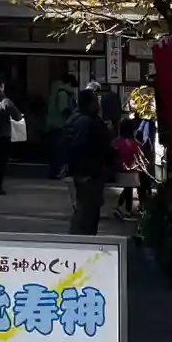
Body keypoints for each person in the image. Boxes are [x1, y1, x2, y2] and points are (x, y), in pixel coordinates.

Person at [62, 88, 115, 235]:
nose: (98, 105)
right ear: (90, 103)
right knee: (89, 211)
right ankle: (83, 240)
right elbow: (101, 146)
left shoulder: (73, 120)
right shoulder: (91, 122)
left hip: (78, 172)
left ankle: (78, 237)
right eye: (96, 101)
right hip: (91, 171)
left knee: (82, 207)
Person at [45, 74, 77, 178]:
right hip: (60, 125)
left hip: (53, 125)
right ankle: (57, 172)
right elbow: (63, 108)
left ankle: (54, 172)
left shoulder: (55, 91)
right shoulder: (63, 93)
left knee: (55, 151)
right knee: (59, 152)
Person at [112, 120, 144, 218]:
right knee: (129, 188)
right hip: (132, 170)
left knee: (128, 188)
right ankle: (125, 208)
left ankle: (123, 208)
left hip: (120, 169)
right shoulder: (135, 143)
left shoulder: (117, 142)